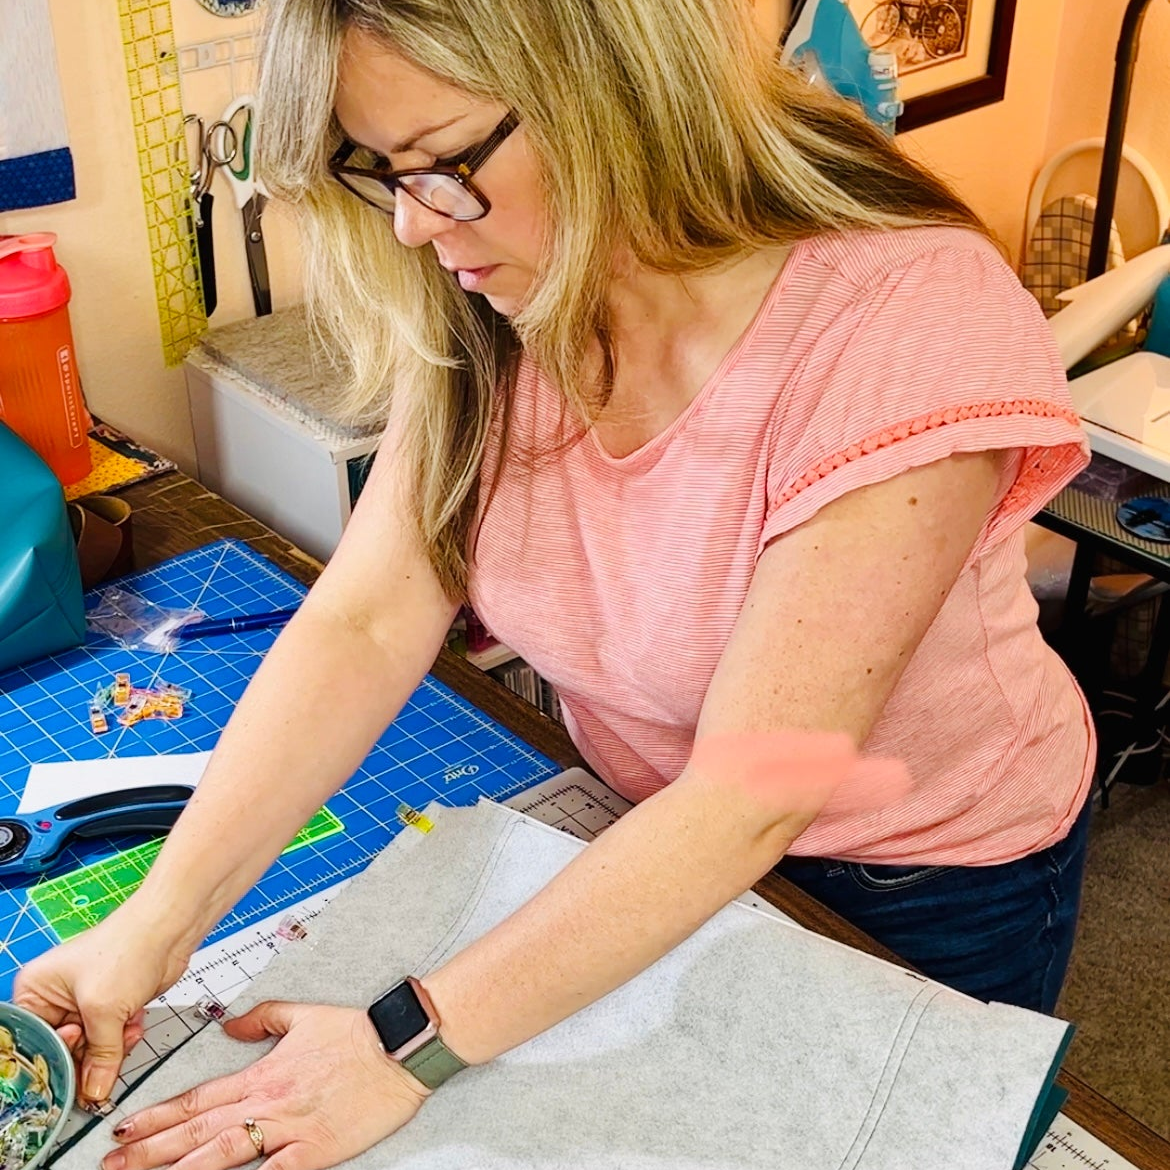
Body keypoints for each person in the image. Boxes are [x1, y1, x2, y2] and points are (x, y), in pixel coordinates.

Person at [16, 1, 1095, 1167]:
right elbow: (370, 618)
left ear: (618, 92)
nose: (417, 227)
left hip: (916, 876)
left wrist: (399, 1047)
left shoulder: (903, 320)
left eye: (440, 167)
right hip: (643, 825)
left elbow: (753, 789)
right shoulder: (488, 293)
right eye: (377, 172)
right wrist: (155, 928)